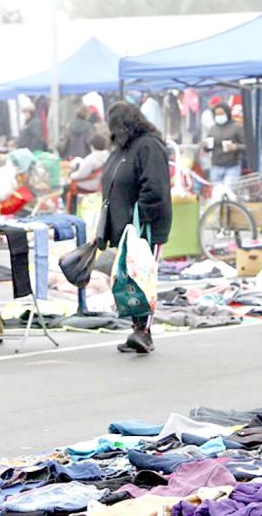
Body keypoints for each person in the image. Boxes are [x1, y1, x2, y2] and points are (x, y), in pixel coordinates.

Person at [100, 101, 172, 355]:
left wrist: (138, 217)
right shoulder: (123, 149)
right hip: (126, 227)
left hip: (146, 228)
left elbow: (155, 188)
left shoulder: (149, 146)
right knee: (129, 278)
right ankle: (137, 328)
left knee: (145, 278)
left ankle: (144, 332)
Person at [203, 102, 245, 185]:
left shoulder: (237, 127)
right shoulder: (213, 128)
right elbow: (207, 148)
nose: (219, 116)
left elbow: (247, 146)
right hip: (216, 166)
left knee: (229, 192)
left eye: (221, 114)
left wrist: (235, 147)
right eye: (217, 114)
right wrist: (205, 146)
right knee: (217, 193)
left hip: (232, 166)